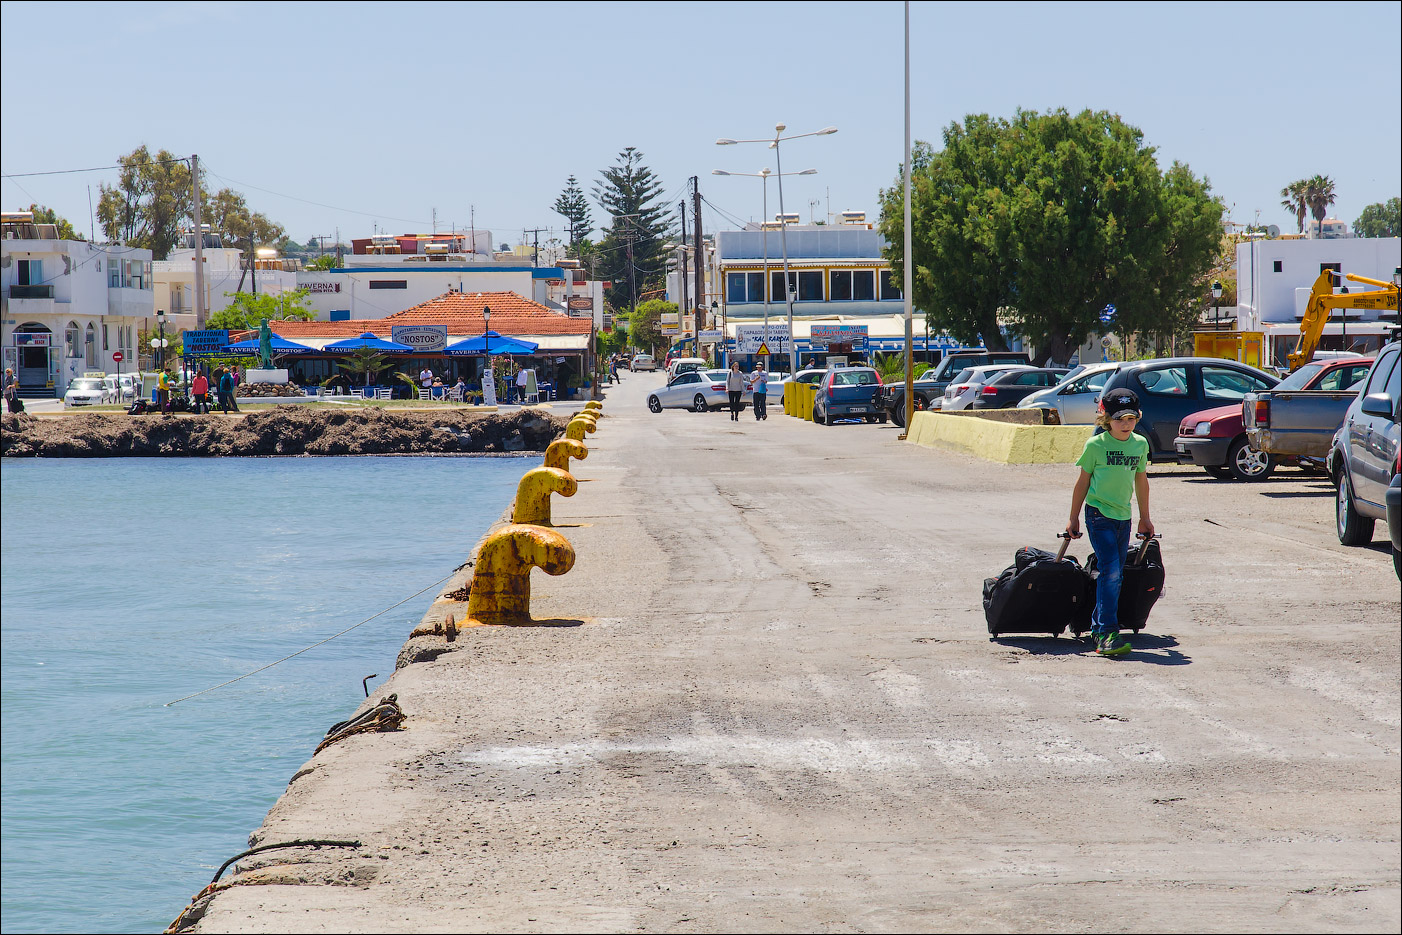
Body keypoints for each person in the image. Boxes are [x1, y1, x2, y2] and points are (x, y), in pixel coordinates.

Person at [1066, 388, 1155, 658]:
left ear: (1137, 417)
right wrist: (1073, 517)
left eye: (1130, 418)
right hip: (1098, 515)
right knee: (1111, 572)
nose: (1125, 424)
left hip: (1123, 517)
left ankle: (1098, 627)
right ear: (1106, 419)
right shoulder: (1096, 446)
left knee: (1115, 576)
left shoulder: (1140, 444)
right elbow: (1082, 483)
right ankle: (1107, 634)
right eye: (1119, 419)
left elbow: (1141, 480)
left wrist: (1145, 517)